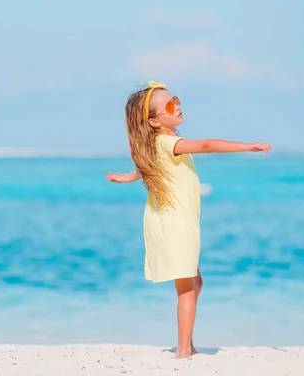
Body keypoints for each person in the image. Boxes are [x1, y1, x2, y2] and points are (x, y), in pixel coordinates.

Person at [106, 81, 271, 359]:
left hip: (173, 223)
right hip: (176, 225)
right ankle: (183, 351)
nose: (178, 106)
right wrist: (246, 146)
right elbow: (206, 145)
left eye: (176, 100)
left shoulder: (157, 144)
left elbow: (145, 167)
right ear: (154, 121)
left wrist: (126, 177)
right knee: (187, 288)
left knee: (195, 283)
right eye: (170, 106)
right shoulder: (171, 143)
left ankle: (187, 344)